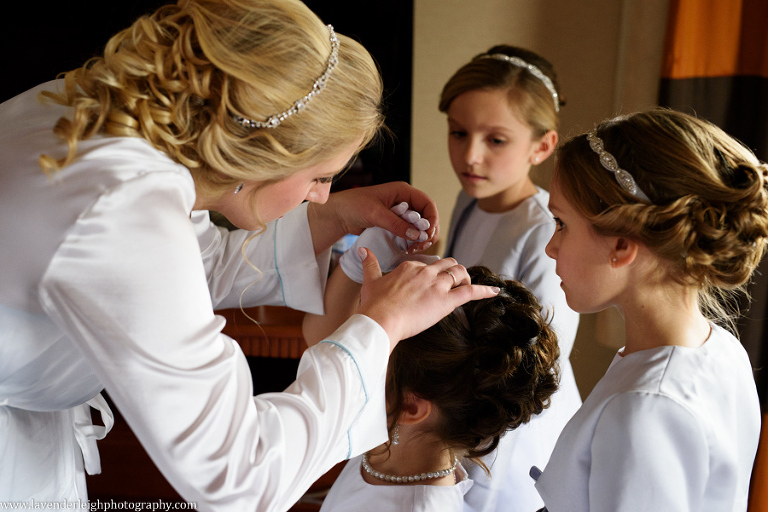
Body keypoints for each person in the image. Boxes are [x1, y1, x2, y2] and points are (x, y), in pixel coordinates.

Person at [0, 0, 500, 509]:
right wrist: (378, 328)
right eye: (320, 178)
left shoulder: (117, 116)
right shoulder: (120, 208)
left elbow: (186, 267)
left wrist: (336, 218)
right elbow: (238, 474)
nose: (322, 194)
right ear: (260, 155)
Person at [535, 108, 768, 511]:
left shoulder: (646, 409)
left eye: (561, 223)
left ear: (622, 245)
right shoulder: (723, 350)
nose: (550, 247)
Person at [303, 237, 560, 512]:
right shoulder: (388, 443)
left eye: (372, 345)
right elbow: (325, 342)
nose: (356, 350)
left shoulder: (412, 495)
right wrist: (357, 262)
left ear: (411, 404)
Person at [437, 45, 581, 512]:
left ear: (541, 146)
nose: (470, 155)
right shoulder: (468, 202)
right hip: (464, 394)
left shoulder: (542, 229)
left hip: (514, 413)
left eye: (495, 140)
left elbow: (546, 351)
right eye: (458, 133)